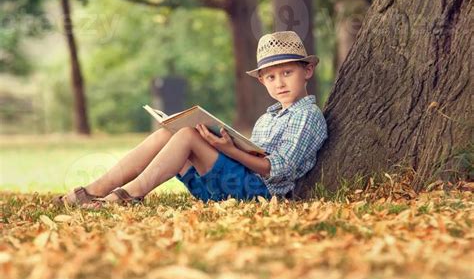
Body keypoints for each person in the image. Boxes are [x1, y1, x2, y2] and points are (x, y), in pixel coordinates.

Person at [54, 31, 328, 208]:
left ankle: (127, 196)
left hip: (260, 193)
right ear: (262, 80)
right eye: (270, 76)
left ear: (308, 70)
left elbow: (277, 170)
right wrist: (225, 145)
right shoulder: (268, 118)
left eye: (287, 73)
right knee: (167, 133)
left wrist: (228, 149)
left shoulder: (306, 116)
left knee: (186, 136)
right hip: (230, 184)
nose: (279, 83)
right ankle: (93, 191)